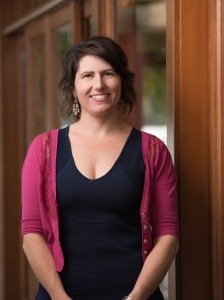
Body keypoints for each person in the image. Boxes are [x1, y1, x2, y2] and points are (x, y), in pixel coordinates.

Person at [21, 36, 179, 300]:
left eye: (108, 73)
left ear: (122, 81)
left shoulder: (152, 150)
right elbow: (32, 233)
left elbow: (168, 235)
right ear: (73, 87)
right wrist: (60, 298)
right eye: (87, 75)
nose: (99, 84)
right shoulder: (43, 149)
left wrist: (136, 297)